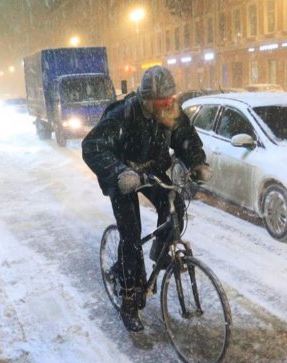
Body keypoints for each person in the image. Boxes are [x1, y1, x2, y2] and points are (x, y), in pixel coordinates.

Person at [82, 66, 211, 332]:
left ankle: (160, 251)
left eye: (170, 100)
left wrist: (197, 164)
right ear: (147, 100)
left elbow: (185, 138)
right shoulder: (123, 114)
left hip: (152, 170)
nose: (167, 106)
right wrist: (119, 172)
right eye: (161, 102)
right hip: (124, 176)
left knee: (173, 206)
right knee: (131, 234)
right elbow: (92, 146)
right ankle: (129, 300)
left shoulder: (169, 110)